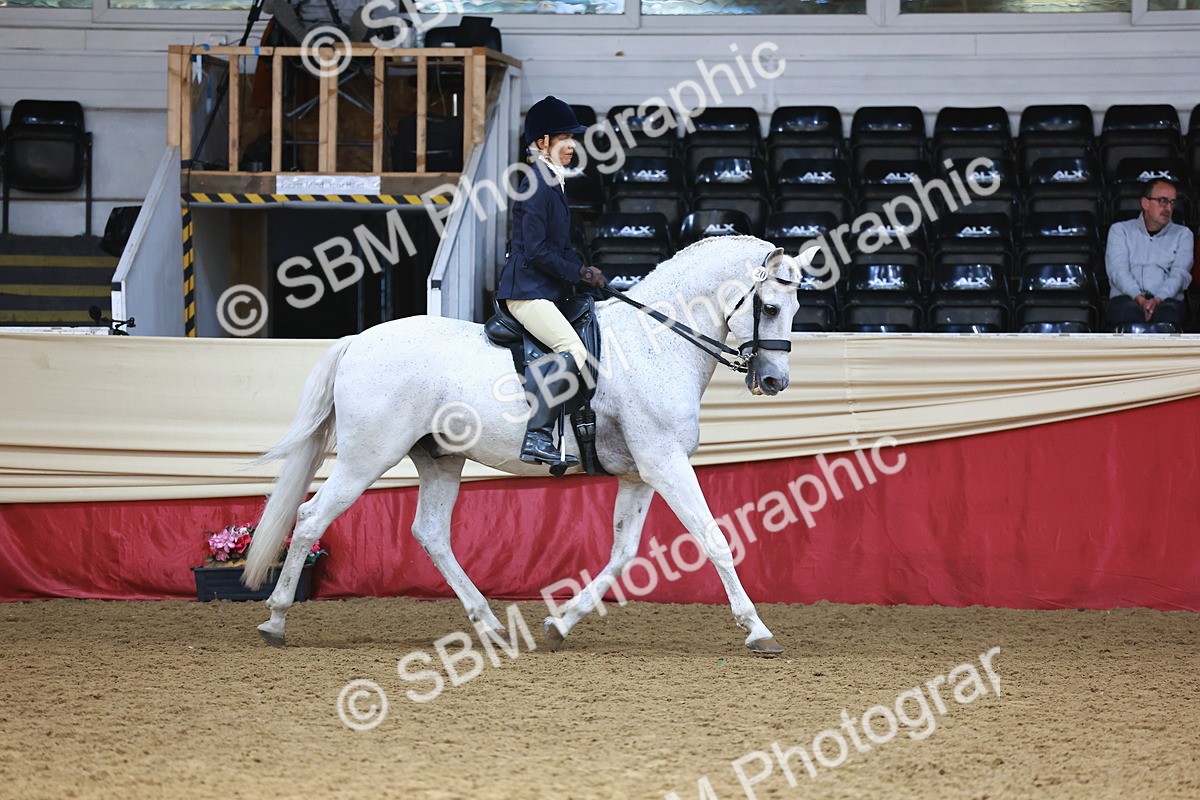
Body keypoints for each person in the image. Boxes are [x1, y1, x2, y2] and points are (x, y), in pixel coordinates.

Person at [496, 96, 608, 466]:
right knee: (573, 351)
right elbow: (535, 251)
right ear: (543, 142)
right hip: (527, 292)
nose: (573, 146)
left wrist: (584, 270)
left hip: (546, 288)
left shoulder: (553, 182)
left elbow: (558, 246)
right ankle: (538, 436)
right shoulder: (535, 183)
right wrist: (576, 272)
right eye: (565, 139)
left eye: (573, 139)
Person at [1105, 177, 1193, 328]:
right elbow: (1118, 271)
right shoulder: (1120, 230)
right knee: (1130, 314)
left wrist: (1157, 300)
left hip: (1167, 300)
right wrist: (1139, 299)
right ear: (1145, 203)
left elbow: (1179, 275)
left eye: (1172, 202)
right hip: (1127, 298)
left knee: (1167, 315)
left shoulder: (1183, 234)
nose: (1168, 208)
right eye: (1162, 201)